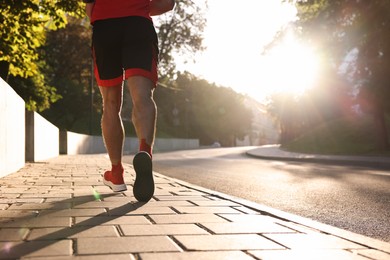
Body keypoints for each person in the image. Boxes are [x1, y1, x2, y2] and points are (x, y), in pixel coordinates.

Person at [84, 0, 175, 202]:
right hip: (138, 26)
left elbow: (89, 7)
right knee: (142, 96)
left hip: (105, 27)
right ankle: (145, 152)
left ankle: (116, 173)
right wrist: (136, 8)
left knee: (110, 104)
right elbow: (168, 3)